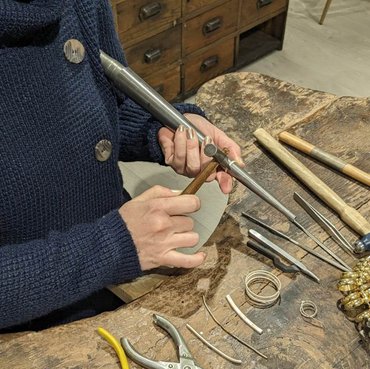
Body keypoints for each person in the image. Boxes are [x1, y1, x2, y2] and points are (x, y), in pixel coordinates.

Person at [0, 0, 242, 330]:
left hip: (122, 274)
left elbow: (100, 104)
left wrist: (162, 128)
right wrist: (111, 247)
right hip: (34, 329)